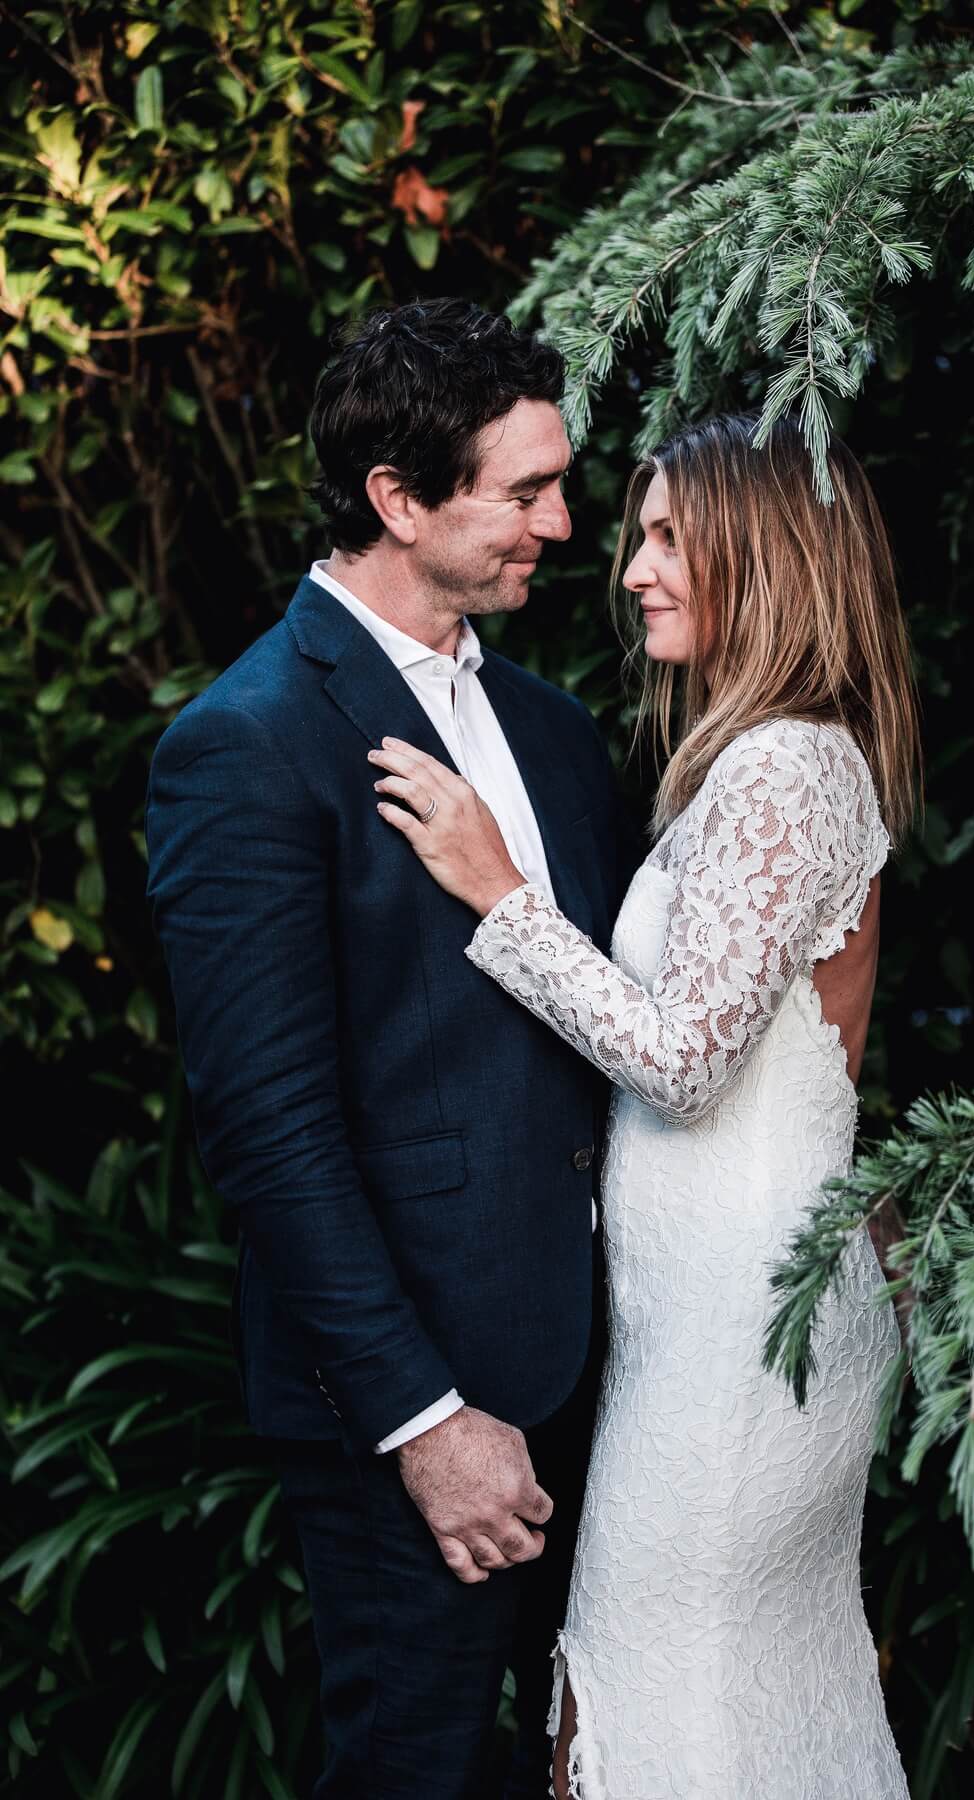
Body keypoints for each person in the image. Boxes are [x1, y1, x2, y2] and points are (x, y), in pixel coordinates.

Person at [367, 413, 920, 1799]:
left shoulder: (787, 765)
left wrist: (500, 894)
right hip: (724, 1316)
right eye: (640, 536)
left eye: (672, 538)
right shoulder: (769, 760)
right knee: (729, 1708)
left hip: (742, 1336)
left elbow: (684, 1063)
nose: (634, 571)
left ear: (766, 555)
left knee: (644, 1711)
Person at [145, 298, 639, 1799]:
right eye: (525, 491)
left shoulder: (554, 730)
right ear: (400, 499)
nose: (563, 525)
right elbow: (267, 1131)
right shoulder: (246, 743)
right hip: (422, 1401)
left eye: (563, 484)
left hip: (619, 1374)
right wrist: (426, 1422)